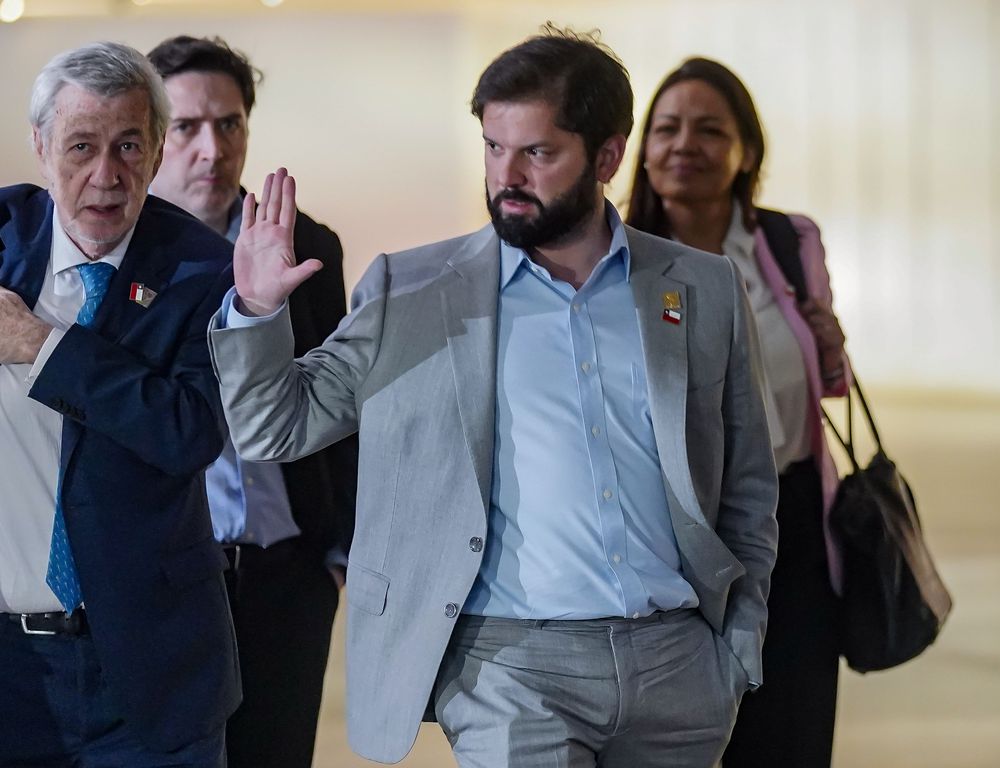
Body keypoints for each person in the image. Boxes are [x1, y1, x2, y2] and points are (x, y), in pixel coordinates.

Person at [211, 27, 778, 768]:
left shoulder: (700, 288)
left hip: (678, 670)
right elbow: (271, 427)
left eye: (538, 153)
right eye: (492, 147)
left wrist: (734, 648)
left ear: (607, 156)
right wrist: (255, 313)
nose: (506, 175)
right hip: (508, 672)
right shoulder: (410, 293)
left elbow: (748, 485)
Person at [0, 42, 238, 767]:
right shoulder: (3, 237)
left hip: (149, 672)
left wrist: (41, 345)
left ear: (158, 147)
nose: (105, 176)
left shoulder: (204, 269)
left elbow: (187, 430)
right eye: (81, 146)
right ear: (41, 147)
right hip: (10, 672)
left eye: (129, 146)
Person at [625, 56, 849, 767]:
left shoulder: (787, 243)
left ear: (747, 151)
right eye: (666, 129)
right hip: (667, 533)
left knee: (791, 729)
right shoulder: (613, 258)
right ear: (641, 147)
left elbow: (822, 383)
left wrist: (833, 349)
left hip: (793, 528)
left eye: (709, 130)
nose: (683, 145)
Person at [146, 35, 358, 768]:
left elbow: (346, 405)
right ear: (150, 134)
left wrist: (337, 552)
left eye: (229, 124)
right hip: (168, 571)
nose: (212, 148)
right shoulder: (125, 251)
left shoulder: (309, 245)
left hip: (286, 572)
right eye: (186, 127)